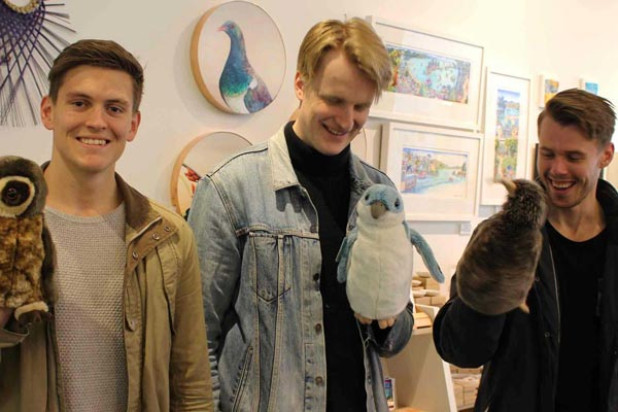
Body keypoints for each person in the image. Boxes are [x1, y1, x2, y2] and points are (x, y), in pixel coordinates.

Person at [188, 18, 414, 412]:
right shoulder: (230, 188)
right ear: (300, 84)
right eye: (334, 100)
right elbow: (195, 340)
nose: (346, 120)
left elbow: (398, 333)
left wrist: (389, 318)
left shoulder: (381, 194)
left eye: (361, 106)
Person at [0, 39, 213, 411]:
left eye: (114, 108)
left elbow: (191, 381)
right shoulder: (8, 226)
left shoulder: (169, 237)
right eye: (79, 103)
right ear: (49, 111)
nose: (97, 121)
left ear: (132, 124)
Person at [433, 88, 618, 411]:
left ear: (605, 155)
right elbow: (459, 350)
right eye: (548, 153)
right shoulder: (500, 236)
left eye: (573, 157)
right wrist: (489, 286)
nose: (557, 169)